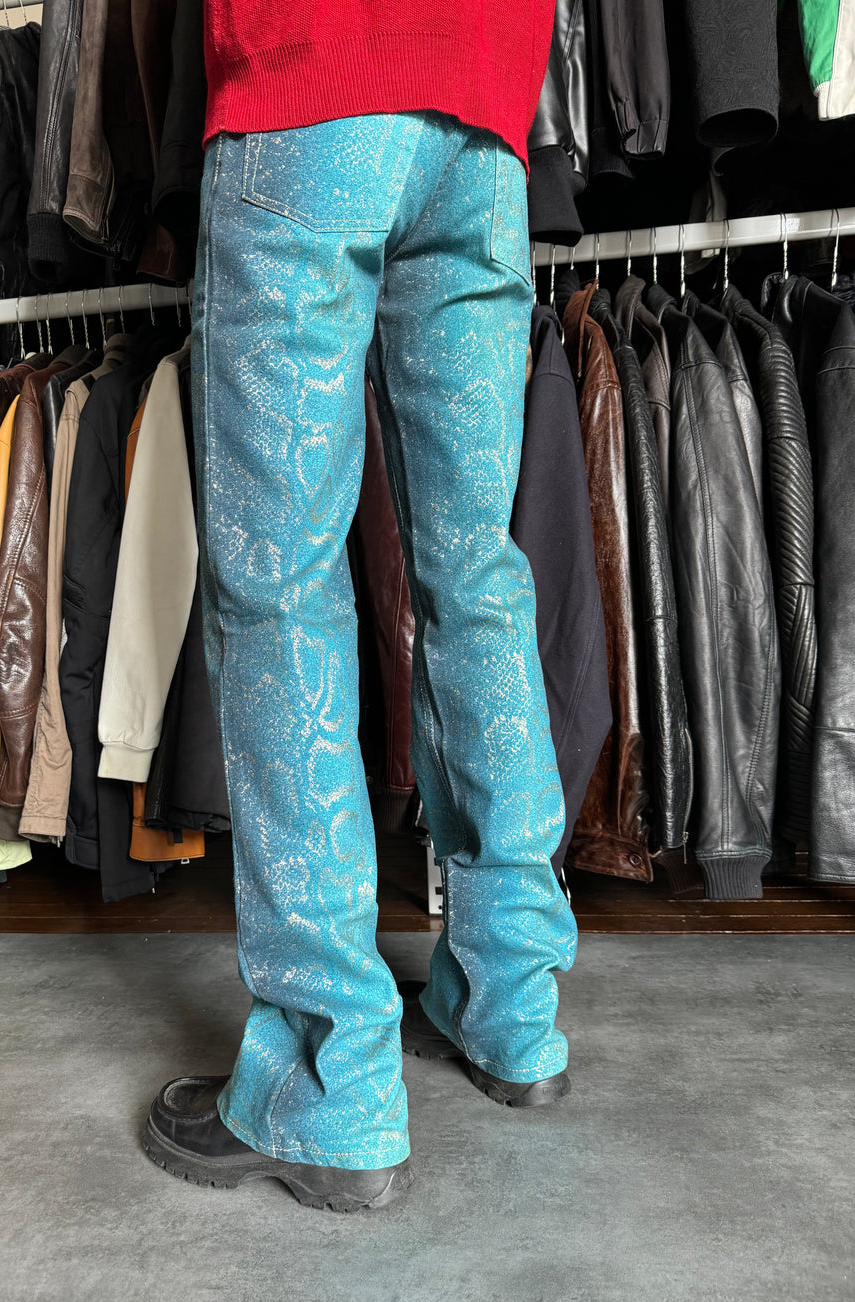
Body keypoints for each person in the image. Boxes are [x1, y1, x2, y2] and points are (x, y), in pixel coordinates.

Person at [141, 0, 578, 1212]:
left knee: (280, 588)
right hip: (483, 110)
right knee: (474, 572)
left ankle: (328, 1083)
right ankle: (513, 1006)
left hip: (311, 80)